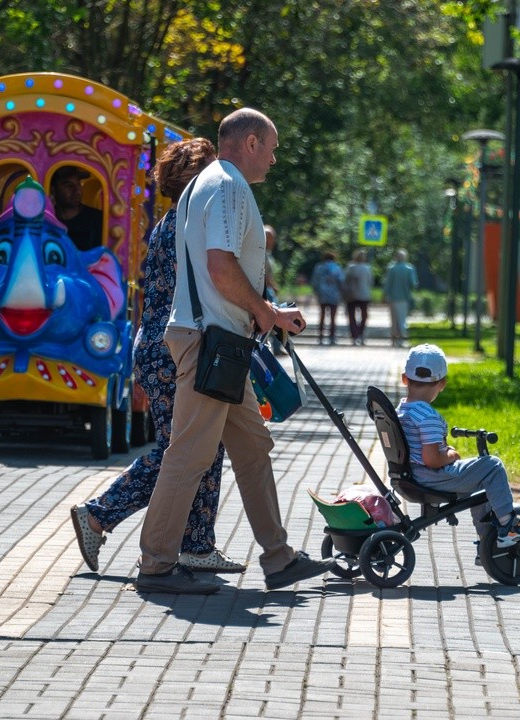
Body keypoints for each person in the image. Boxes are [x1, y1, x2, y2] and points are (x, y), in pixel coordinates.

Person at [134, 108, 335, 595]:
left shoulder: (203, 185)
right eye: (272, 147)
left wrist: (260, 315)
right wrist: (267, 312)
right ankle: (156, 565)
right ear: (249, 142)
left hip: (219, 343)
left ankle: (279, 557)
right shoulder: (226, 186)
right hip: (211, 342)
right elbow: (221, 267)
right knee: (189, 454)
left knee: (253, 446)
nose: (274, 157)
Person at [69, 139, 247, 575]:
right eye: (211, 172)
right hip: (174, 351)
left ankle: (197, 546)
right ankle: (99, 514)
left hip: (161, 349)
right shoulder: (192, 225)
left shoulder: (174, 222)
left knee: (200, 448)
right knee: (184, 451)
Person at [396, 344, 520, 548]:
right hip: (432, 477)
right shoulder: (427, 416)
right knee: (492, 466)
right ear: (442, 384)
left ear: (405, 378)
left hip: (410, 476)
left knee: (480, 478)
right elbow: (431, 459)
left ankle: (488, 542)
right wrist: (451, 455)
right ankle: (509, 524)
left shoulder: (401, 412)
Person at [50, 165, 104, 250]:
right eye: (69, 186)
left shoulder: (98, 220)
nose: (77, 191)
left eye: (78, 184)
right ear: (53, 190)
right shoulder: (49, 219)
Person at [384, 249, 417, 347]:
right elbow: (413, 284)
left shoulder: (392, 268)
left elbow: (388, 284)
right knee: (402, 319)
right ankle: (402, 338)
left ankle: (394, 339)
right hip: (405, 297)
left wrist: (385, 295)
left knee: (393, 319)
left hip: (393, 298)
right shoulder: (410, 268)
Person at [309, 251, 345, 345]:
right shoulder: (337, 267)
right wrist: (342, 292)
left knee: (322, 315)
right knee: (333, 317)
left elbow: (314, 281)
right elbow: (341, 281)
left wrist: (316, 291)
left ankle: (320, 336)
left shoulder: (319, 267)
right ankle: (332, 337)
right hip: (334, 294)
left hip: (322, 294)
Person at [343, 249, 374, 345]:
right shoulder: (367, 268)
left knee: (351, 316)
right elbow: (371, 282)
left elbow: (346, 281)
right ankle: (361, 334)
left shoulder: (351, 267)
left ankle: (354, 335)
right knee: (364, 316)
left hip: (352, 295)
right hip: (364, 295)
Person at [264, 224, 286, 355]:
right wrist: (272, 285)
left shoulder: (268, 253)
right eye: (271, 237)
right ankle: (276, 348)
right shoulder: (261, 252)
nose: (273, 241)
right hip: (266, 290)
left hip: (269, 289)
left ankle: (277, 347)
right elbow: (264, 274)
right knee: (277, 317)